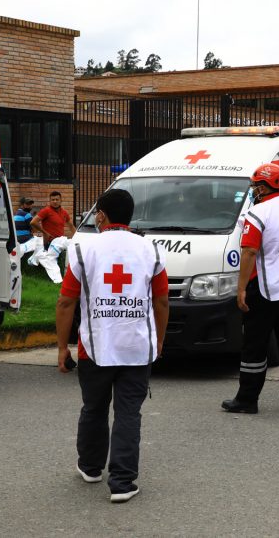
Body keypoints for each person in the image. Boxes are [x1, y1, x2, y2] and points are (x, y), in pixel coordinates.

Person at [55, 189, 170, 504]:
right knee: (128, 413)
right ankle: (122, 482)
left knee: (93, 407)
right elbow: (161, 301)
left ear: (101, 215)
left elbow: (66, 302)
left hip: (94, 347)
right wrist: (158, 340)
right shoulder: (151, 251)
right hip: (136, 348)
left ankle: (91, 468)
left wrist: (62, 347)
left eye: (96, 213)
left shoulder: (82, 251)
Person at [222, 162, 279, 415]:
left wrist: (241, 289)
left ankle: (247, 399)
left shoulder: (258, 214)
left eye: (255, 187)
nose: (253, 191)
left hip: (265, 289)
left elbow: (249, 251)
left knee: (254, 345)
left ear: (263, 187)